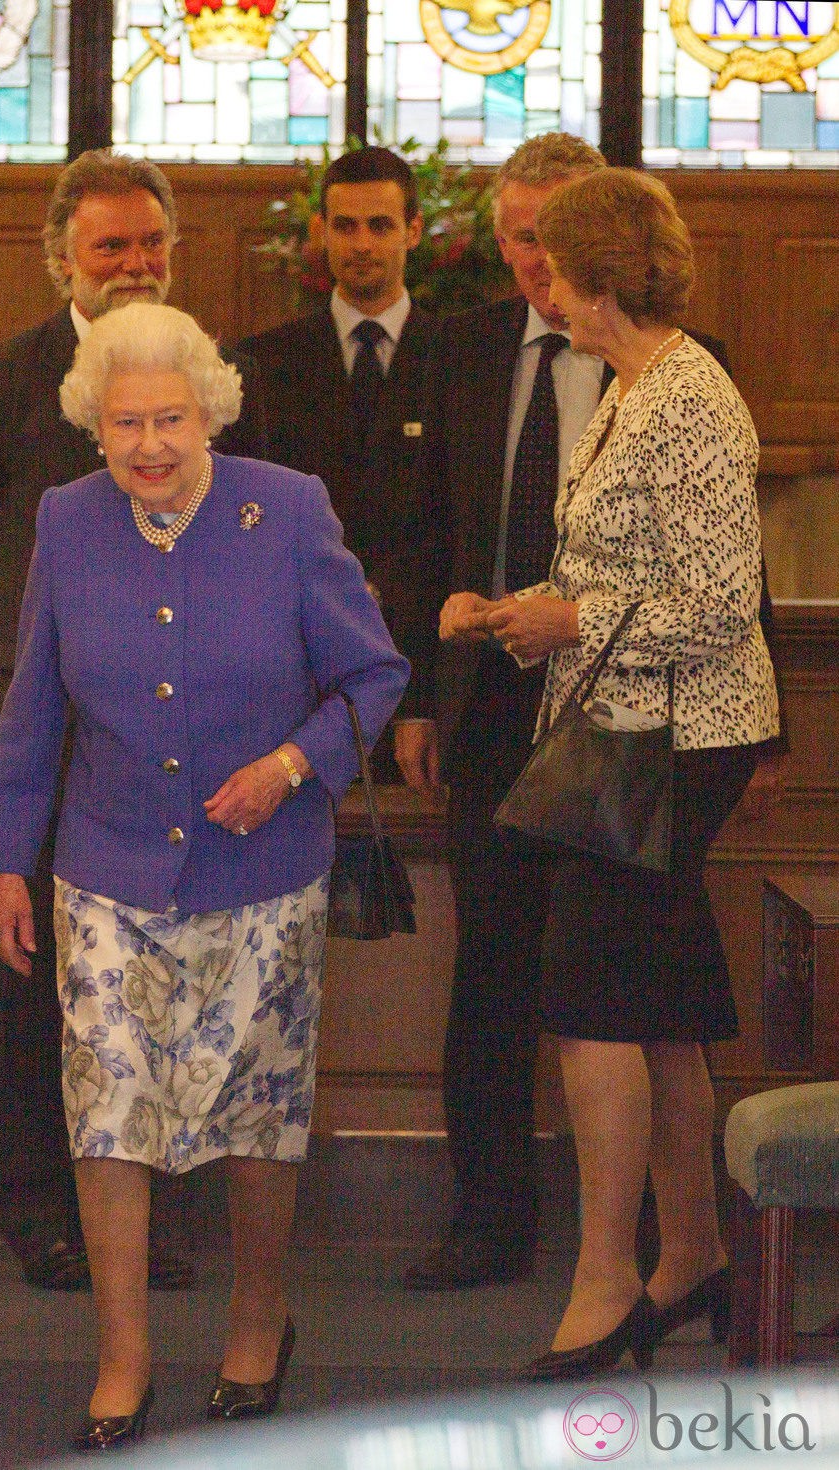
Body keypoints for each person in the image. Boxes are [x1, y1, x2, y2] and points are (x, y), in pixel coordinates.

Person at [0, 302, 410, 1448]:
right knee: (109, 1114)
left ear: (209, 410)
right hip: (106, 871)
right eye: (124, 424)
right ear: (95, 423)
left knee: (254, 1115)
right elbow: (33, 713)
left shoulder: (289, 510)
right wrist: (6, 864)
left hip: (262, 875)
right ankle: (122, 1357)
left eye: (169, 419)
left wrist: (289, 765)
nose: (149, 447)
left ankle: (258, 1315)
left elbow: (374, 676)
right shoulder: (67, 522)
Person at [400, 133, 785, 1292]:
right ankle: (691, 1262)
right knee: (657, 1011)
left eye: (552, 262)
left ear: (602, 268)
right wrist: (506, 609)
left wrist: (565, 622)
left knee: (587, 1007)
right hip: (616, 732)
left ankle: (603, 1282)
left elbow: (716, 601)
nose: (537, 284)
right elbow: (618, 566)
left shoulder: (685, 391)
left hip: (662, 738)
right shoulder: (633, 382)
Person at [0, 149, 193, 1291]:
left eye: (148, 245)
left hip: (163, 742)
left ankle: (141, 1211)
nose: (133, 265)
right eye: (109, 247)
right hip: (19, 730)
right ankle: (35, 1206)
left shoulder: (208, 381)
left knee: (147, 983)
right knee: (20, 983)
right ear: (62, 261)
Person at [399, 133, 610, 1289]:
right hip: (485, 708)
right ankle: (487, 1216)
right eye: (513, 236)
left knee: (607, 964)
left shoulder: (667, 363)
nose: (530, 260)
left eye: (549, 235)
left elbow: (729, 560)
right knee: (488, 966)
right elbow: (427, 525)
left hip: (621, 710)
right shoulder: (465, 351)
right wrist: (421, 699)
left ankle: (619, 1224)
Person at [219, 145, 447, 765]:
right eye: (344, 226)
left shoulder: (461, 358)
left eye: (381, 225)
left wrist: (425, 696)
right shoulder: (263, 364)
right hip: (297, 676)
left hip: (423, 667)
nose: (362, 244)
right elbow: (244, 527)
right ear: (319, 232)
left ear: (415, 230)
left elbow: (461, 530)